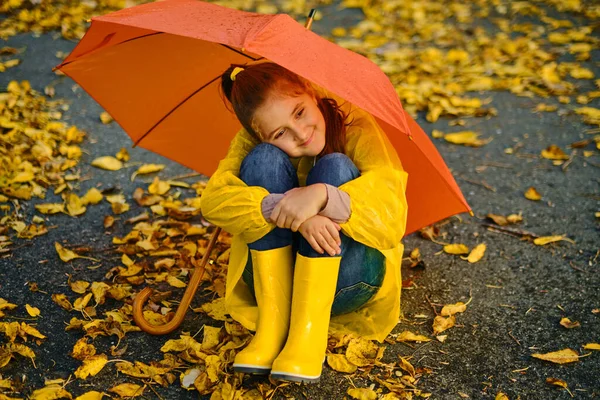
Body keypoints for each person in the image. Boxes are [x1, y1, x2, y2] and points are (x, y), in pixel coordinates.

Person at [199, 62, 408, 383]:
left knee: (336, 166)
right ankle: (273, 327)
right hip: (274, 289)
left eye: (299, 112)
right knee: (262, 160)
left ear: (311, 92)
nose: (300, 133)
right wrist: (289, 211)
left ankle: (306, 334)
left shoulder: (356, 129)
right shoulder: (251, 143)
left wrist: (323, 197)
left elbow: (390, 210)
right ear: (257, 132)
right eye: (279, 132)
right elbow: (213, 200)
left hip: (347, 281)